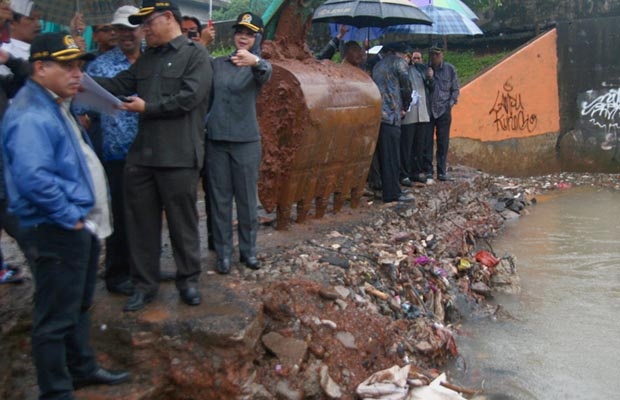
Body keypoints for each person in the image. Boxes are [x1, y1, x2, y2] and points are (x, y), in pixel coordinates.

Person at [1, 32, 130, 400]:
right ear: (40, 67)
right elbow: (33, 178)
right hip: (55, 228)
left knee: (79, 302)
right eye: (68, 66)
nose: (79, 74)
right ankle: (56, 391)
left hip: (76, 224)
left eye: (80, 66)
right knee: (55, 316)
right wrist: (69, 216)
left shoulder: (56, 103)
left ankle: (82, 368)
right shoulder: (30, 114)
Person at [93, 0, 212, 311]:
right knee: (141, 226)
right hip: (143, 158)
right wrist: (82, 78)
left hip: (178, 156)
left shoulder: (196, 55)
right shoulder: (147, 60)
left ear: (168, 17)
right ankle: (145, 285)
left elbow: (189, 98)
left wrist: (149, 108)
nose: (144, 30)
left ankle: (188, 280)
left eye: (148, 23)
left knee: (182, 224)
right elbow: (120, 85)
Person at [81, 5, 142, 296]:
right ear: (114, 33)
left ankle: (143, 268)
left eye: (132, 28)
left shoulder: (153, 61)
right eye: (121, 29)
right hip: (117, 153)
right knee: (119, 213)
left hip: (151, 153)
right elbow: (81, 106)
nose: (127, 34)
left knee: (146, 215)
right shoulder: (100, 66)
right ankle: (117, 274)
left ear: (141, 30)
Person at [206, 11, 272, 274]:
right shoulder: (218, 64)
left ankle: (249, 251)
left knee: (246, 200)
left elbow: (266, 72)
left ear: (256, 39)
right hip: (217, 140)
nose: (243, 37)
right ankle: (223, 254)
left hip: (246, 142)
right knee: (220, 201)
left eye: (249, 34)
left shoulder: (258, 66)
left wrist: (254, 60)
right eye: (240, 32)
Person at [370, 42, 414, 203]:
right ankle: (393, 193)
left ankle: (382, 188)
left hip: (377, 117)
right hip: (391, 116)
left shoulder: (377, 66)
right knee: (393, 157)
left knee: (382, 157)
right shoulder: (399, 63)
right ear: (400, 53)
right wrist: (406, 105)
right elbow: (407, 86)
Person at [400, 50, 434, 186]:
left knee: (420, 146)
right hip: (409, 113)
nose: (415, 60)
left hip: (423, 112)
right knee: (407, 146)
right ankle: (404, 173)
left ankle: (417, 171)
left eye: (418, 58)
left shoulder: (423, 71)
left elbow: (432, 88)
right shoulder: (403, 71)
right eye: (412, 58)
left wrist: (430, 78)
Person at [427, 44, 459, 181]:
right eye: (432, 55)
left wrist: (450, 104)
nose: (434, 57)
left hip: (444, 110)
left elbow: (455, 89)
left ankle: (441, 171)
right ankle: (428, 170)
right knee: (427, 142)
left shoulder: (450, 69)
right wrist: (429, 77)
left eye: (437, 55)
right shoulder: (426, 70)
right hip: (429, 110)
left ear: (442, 55)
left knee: (443, 142)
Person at [0, 0, 40, 75]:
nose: (38, 25)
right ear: (12, 23)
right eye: (31, 19)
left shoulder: (41, 50)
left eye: (38, 19)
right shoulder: (6, 52)